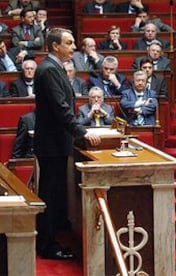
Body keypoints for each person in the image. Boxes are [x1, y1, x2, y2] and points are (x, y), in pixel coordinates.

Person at [34, 28, 101, 260]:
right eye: (69, 43)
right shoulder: (49, 69)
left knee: (55, 194)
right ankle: (47, 245)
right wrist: (82, 131)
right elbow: (61, 109)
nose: (74, 47)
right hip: (52, 144)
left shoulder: (54, 67)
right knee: (50, 196)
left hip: (56, 142)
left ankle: (51, 238)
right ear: (55, 46)